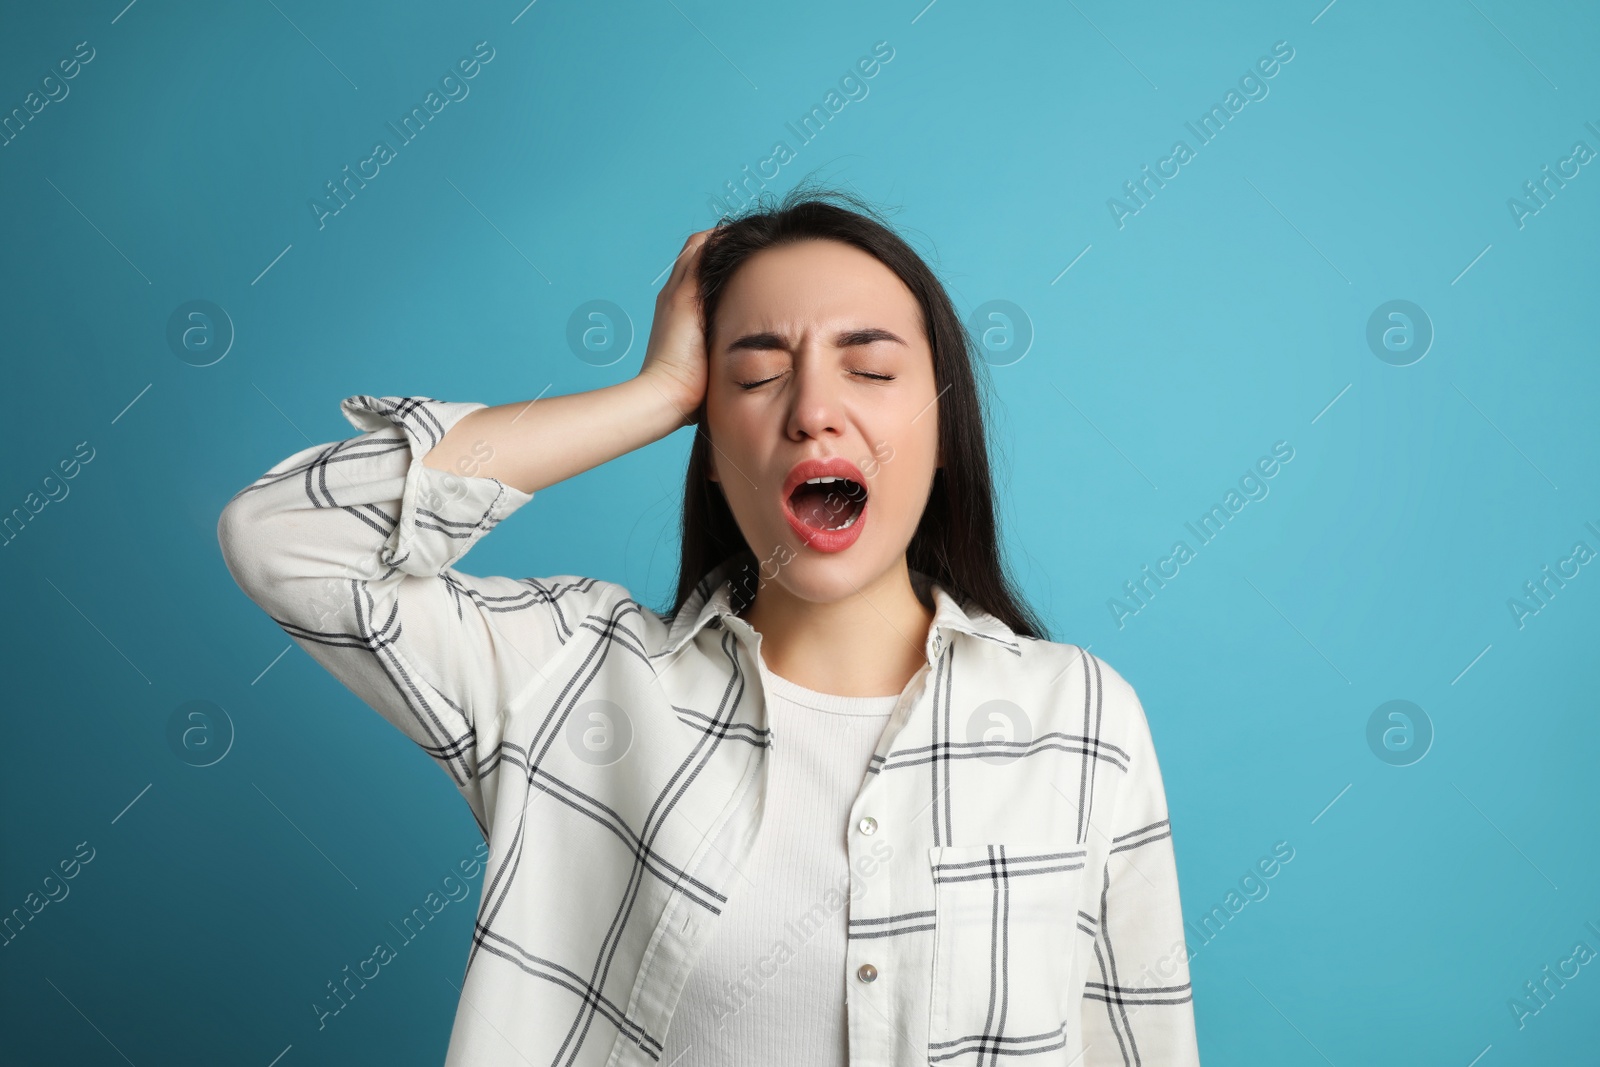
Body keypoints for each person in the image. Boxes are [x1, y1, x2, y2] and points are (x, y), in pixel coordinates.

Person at [217, 185, 1201, 1067]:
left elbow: (1141, 1042)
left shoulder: (1079, 713)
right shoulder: (574, 680)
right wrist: (648, 395)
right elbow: (283, 539)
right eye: (757, 372)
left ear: (943, 434)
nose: (815, 408)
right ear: (712, 448)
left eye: (868, 369)